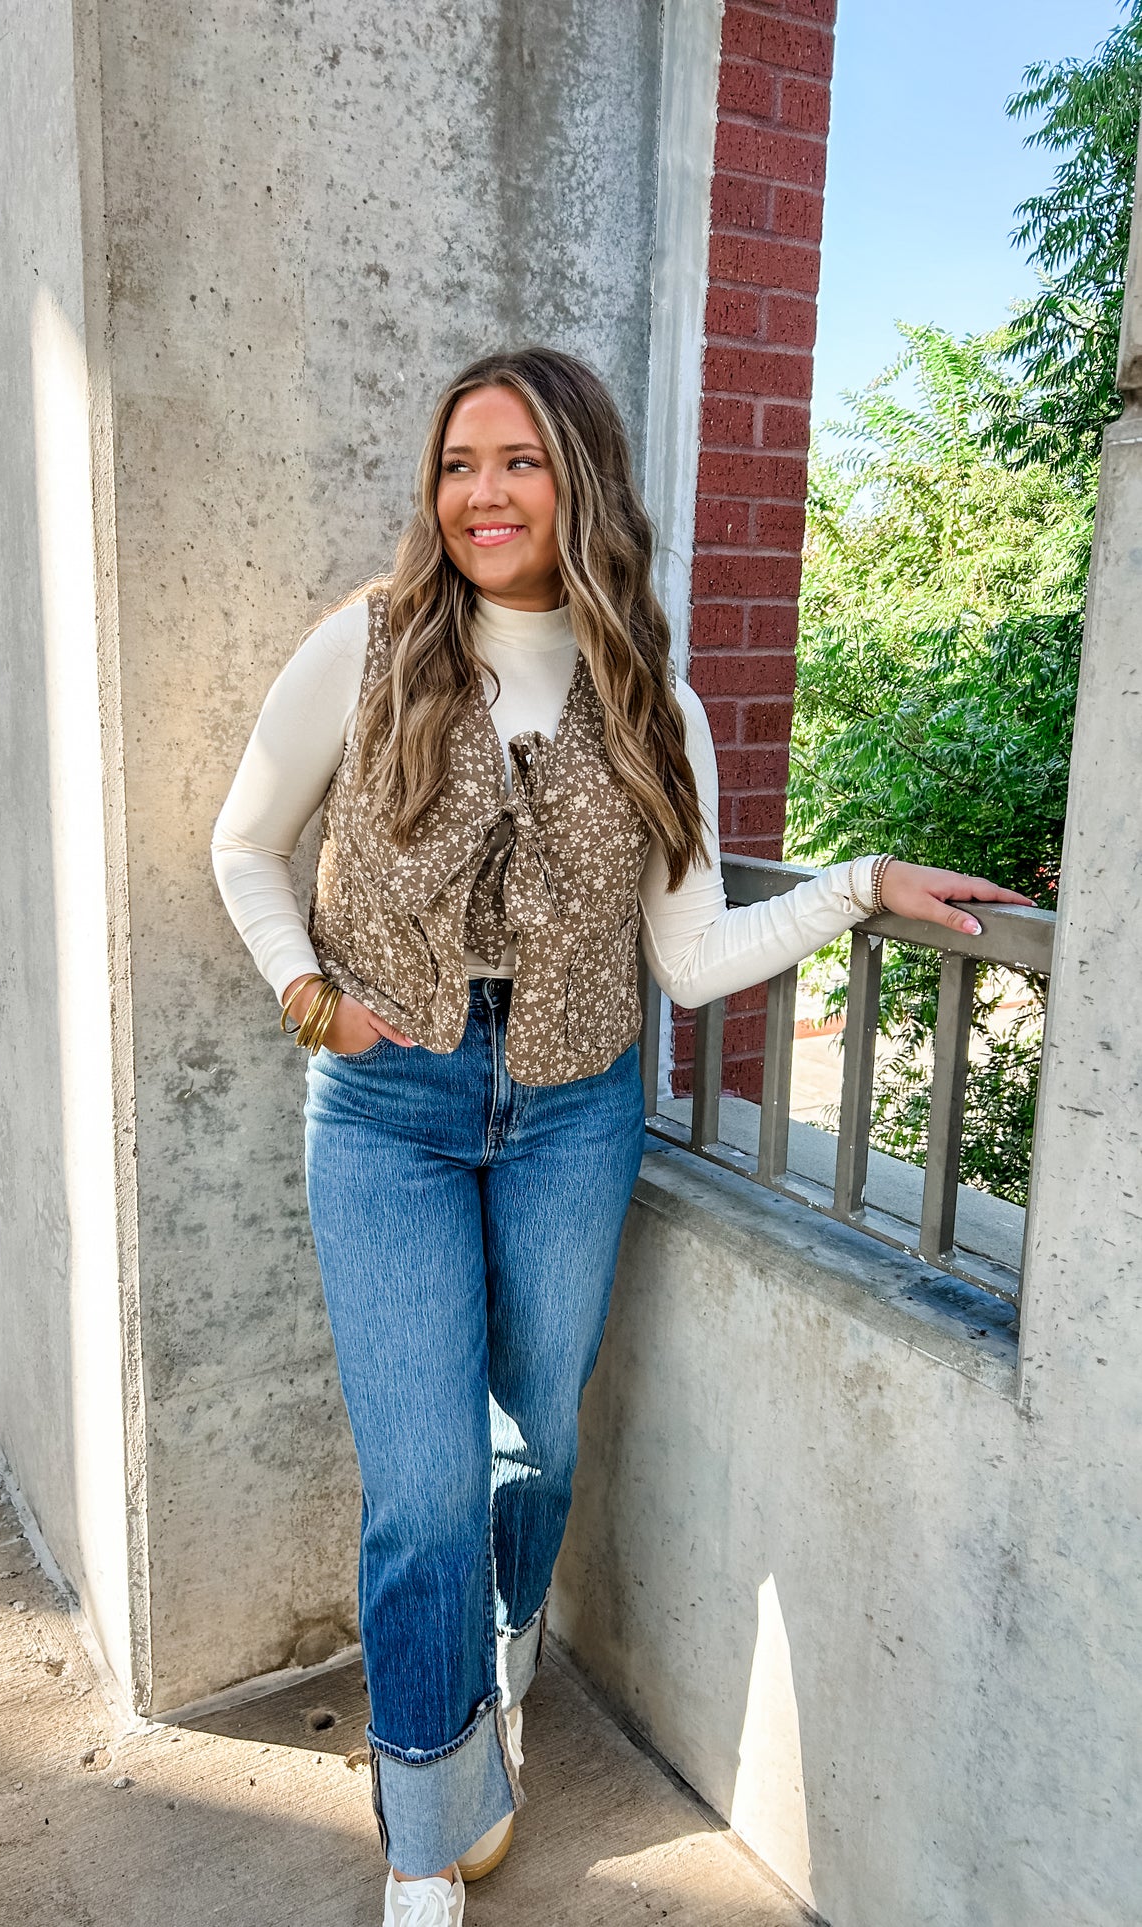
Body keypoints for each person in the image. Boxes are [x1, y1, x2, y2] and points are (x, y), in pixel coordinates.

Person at [212, 346, 1029, 1926]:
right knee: (422, 1486)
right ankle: (423, 1829)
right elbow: (245, 846)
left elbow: (690, 957)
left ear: (577, 481)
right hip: (387, 1107)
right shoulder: (365, 648)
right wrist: (317, 1004)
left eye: (516, 462)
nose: (481, 494)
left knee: (537, 1439)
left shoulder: (650, 695)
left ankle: (499, 1668)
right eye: (457, 463)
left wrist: (856, 885)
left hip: (575, 1108)